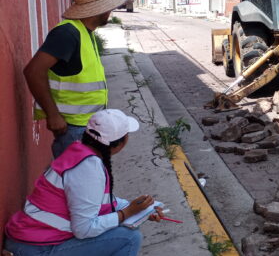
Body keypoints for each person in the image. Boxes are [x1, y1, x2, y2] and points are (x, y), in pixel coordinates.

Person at [4, 109, 164, 256]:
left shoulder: (80, 152)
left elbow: (97, 202)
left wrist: (140, 210)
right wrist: (126, 213)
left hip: (30, 241)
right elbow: (83, 229)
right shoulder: (87, 169)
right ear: (121, 143)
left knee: (122, 227)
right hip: (35, 248)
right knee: (129, 238)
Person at [25, 0, 125, 157]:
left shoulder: (85, 32)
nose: (110, 11)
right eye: (108, 7)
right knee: (77, 181)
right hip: (73, 129)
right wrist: (53, 115)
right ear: (99, 9)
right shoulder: (67, 33)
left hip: (86, 126)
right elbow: (33, 71)